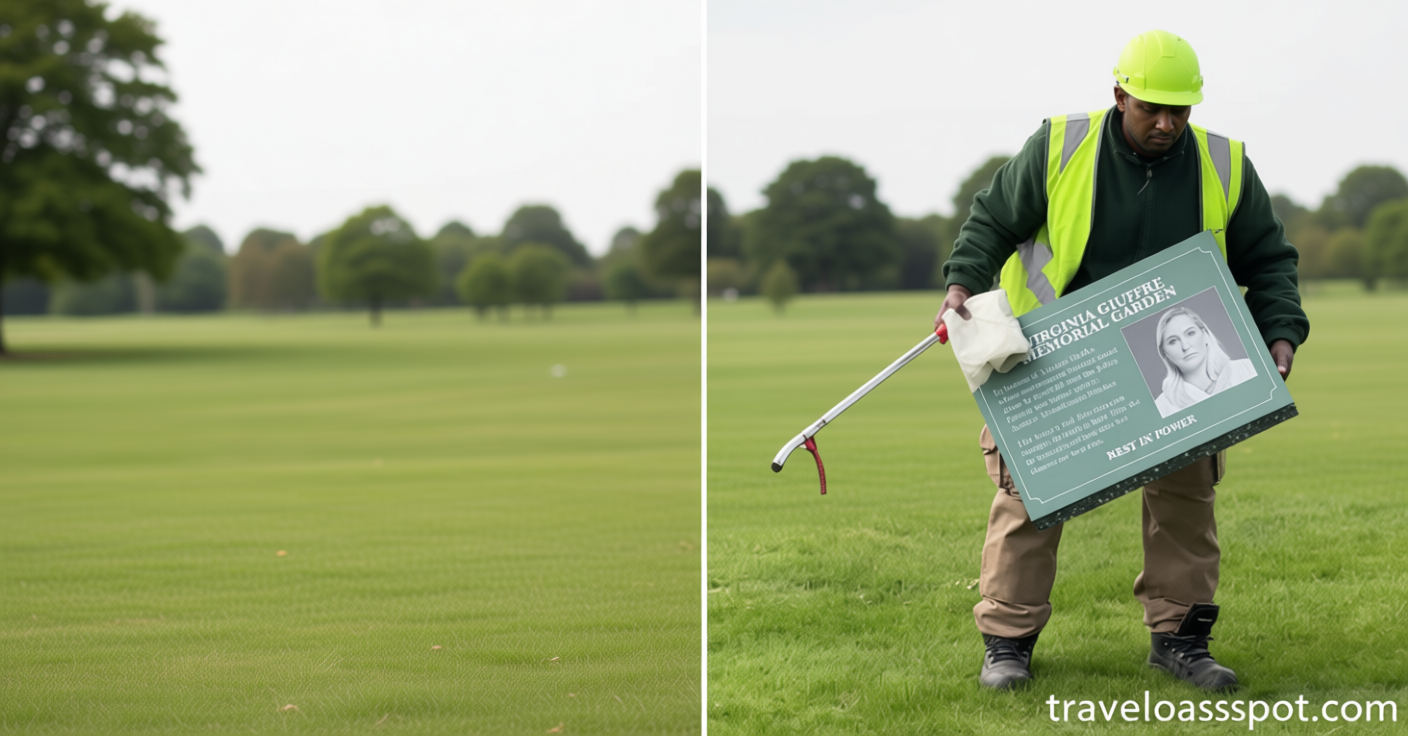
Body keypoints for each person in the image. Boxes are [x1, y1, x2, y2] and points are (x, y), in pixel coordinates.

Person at [935, 30, 1309, 692]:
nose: (1166, 124)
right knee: (1028, 500)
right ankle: (1007, 645)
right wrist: (962, 283)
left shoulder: (1225, 163)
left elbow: (1270, 260)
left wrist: (1280, 330)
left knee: (1186, 503)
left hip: (1178, 357)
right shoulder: (1058, 145)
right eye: (1150, 109)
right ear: (1119, 96)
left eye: (1179, 111)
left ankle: (1180, 643)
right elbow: (991, 222)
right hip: (1056, 361)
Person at [1152, 307, 1257, 417]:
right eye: (1173, 341)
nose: (1185, 346)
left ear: (1205, 335)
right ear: (1165, 353)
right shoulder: (1162, 407)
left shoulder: (1247, 369)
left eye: (1190, 333)